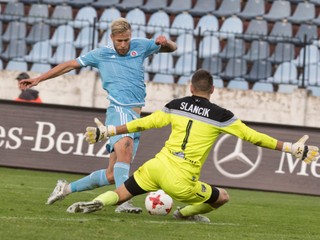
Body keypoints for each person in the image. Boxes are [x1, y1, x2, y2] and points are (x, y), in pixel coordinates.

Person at [66, 69, 319, 222]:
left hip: (156, 166)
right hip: (181, 179)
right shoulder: (221, 115)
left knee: (122, 193)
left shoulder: (176, 104)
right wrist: (290, 148)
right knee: (222, 197)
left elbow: (145, 123)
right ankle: (184, 214)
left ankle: (98, 201)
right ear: (212, 89)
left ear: (191, 87)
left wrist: (108, 130)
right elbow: (253, 137)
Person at [19, 18, 177, 213]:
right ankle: (124, 203)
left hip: (136, 114)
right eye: (119, 41)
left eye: (126, 40)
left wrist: (166, 42)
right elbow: (69, 65)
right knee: (125, 150)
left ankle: (66, 188)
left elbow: (172, 48)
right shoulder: (101, 54)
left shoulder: (141, 45)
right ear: (112, 38)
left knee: (112, 174)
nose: (123, 45)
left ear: (130, 36)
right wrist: (38, 79)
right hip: (119, 108)